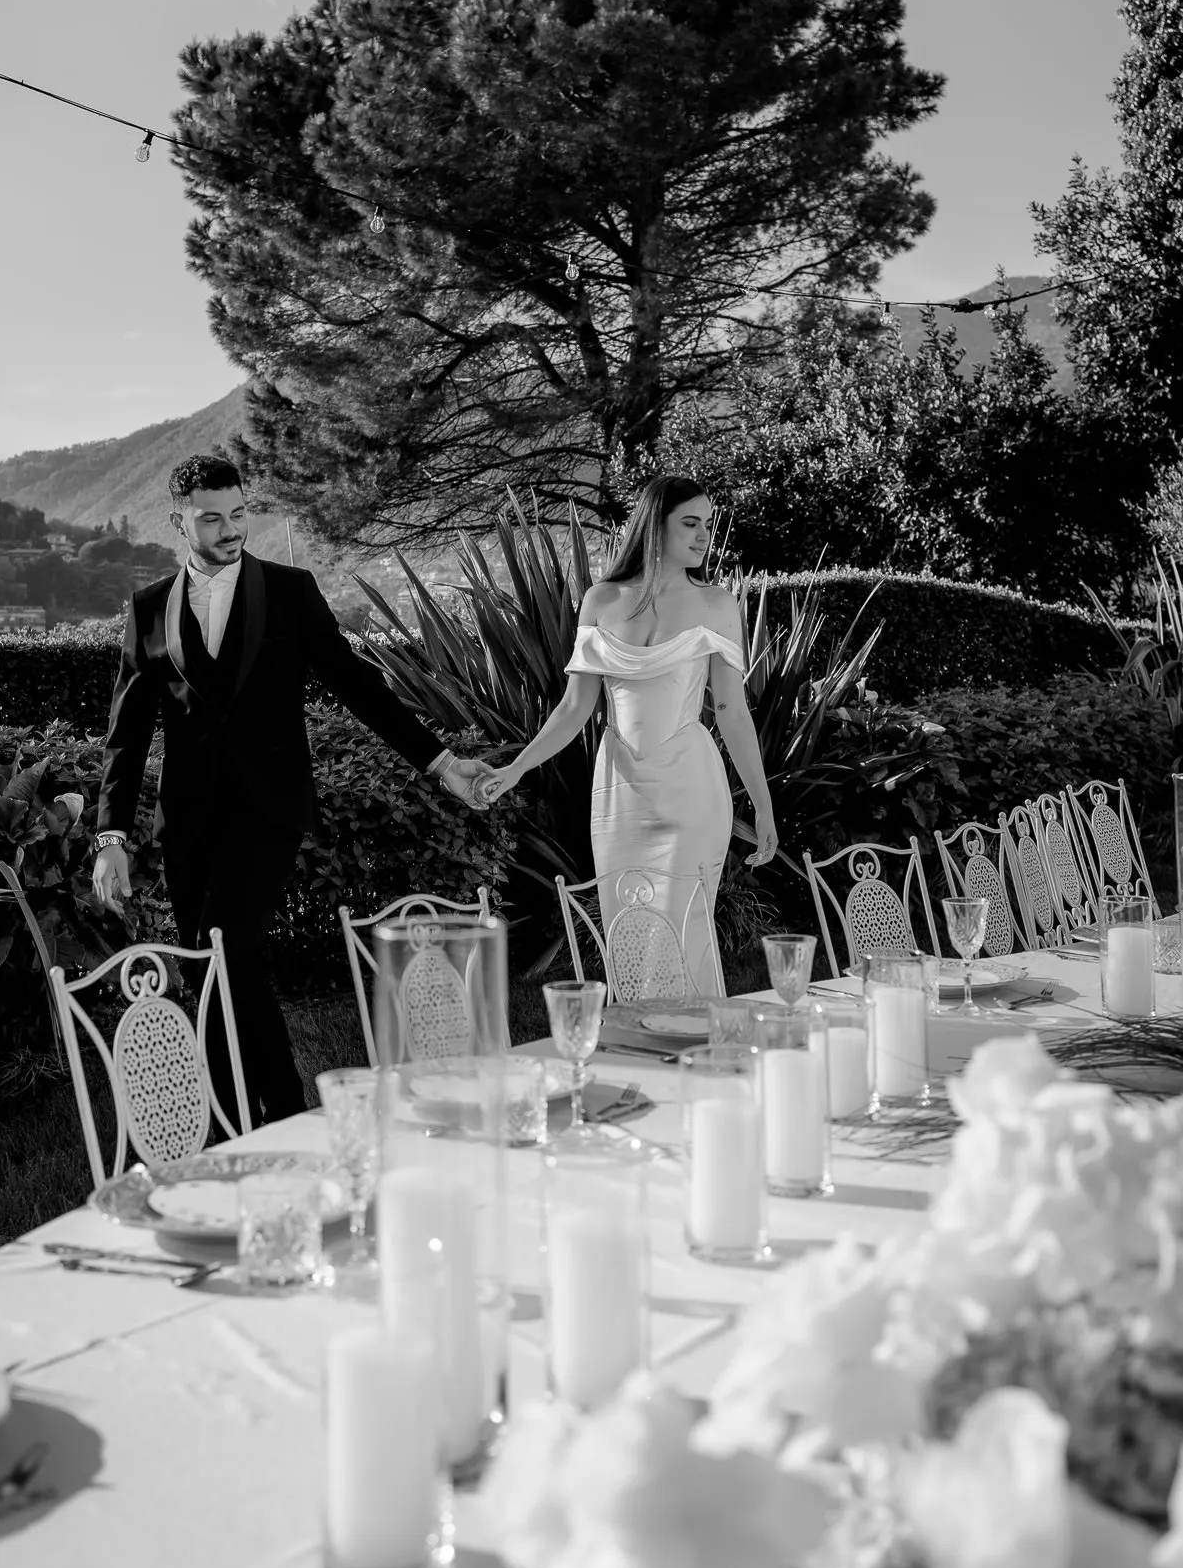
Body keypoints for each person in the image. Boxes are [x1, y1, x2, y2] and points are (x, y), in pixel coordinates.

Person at [92, 453, 489, 1123]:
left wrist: (442, 763)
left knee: (229, 947)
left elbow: (360, 688)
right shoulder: (147, 607)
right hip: (187, 819)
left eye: (238, 513)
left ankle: (281, 1115)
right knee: (203, 966)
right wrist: (111, 836)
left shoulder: (290, 590)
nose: (229, 528)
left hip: (267, 809)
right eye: (211, 518)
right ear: (176, 522)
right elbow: (125, 731)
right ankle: (232, 1119)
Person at [478, 476, 777, 997]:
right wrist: (515, 769)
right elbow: (575, 708)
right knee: (629, 923)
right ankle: (641, 1044)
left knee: (682, 925)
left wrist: (763, 805)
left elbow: (732, 713)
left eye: (708, 524)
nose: (705, 534)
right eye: (690, 523)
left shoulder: (716, 604)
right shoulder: (601, 599)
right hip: (619, 789)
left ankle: (695, 1050)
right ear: (653, 527)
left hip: (691, 787)